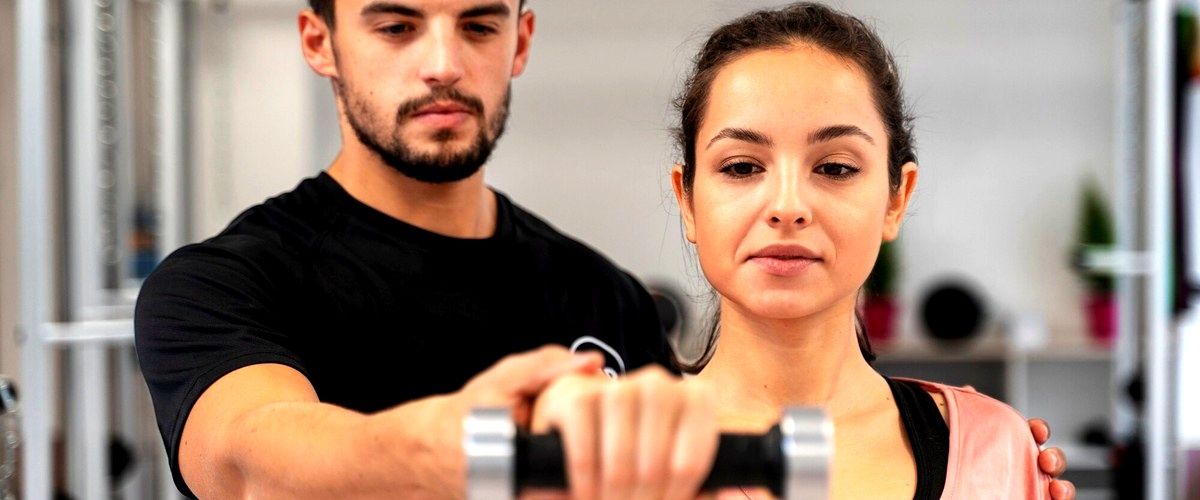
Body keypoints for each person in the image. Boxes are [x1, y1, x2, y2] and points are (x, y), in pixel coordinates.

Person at [133, 0, 1074, 498]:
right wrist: (474, 452)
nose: (441, 63)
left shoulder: (604, 300)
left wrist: (985, 457)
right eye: (393, 22)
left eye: (477, 23)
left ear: (521, 38)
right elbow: (252, 463)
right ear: (318, 38)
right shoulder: (224, 283)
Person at [529, 3, 1073, 499]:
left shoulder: (995, 449)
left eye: (835, 168)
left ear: (895, 198)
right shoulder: (611, 458)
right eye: (742, 167)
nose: (787, 207)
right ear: (687, 200)